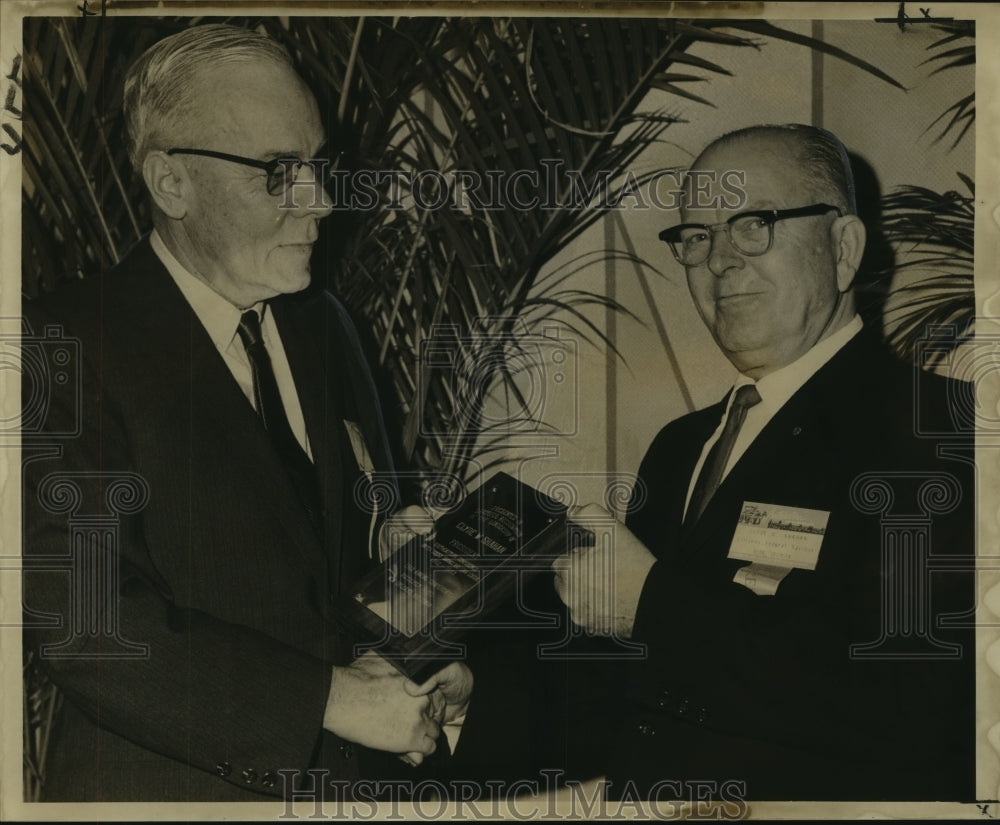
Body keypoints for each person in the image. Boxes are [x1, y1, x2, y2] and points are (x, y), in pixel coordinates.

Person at [21, 24, 469, 802]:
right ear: (171, 183)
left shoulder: (325, 326)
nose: (322, 201)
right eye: (279, 171)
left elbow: (342, 571)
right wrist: (335, 699)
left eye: (319, 165)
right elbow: (87, 623)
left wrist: (424, 655)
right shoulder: (62, 343)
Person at [551, 124, 975, 801]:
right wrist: (464, 705)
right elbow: (631, 688)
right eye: (697, 237)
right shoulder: (682, 445)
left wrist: (652, 605)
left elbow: (911, 703)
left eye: (754, 225)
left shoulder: (939, 430)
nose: (720, 261)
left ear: (844, 249)